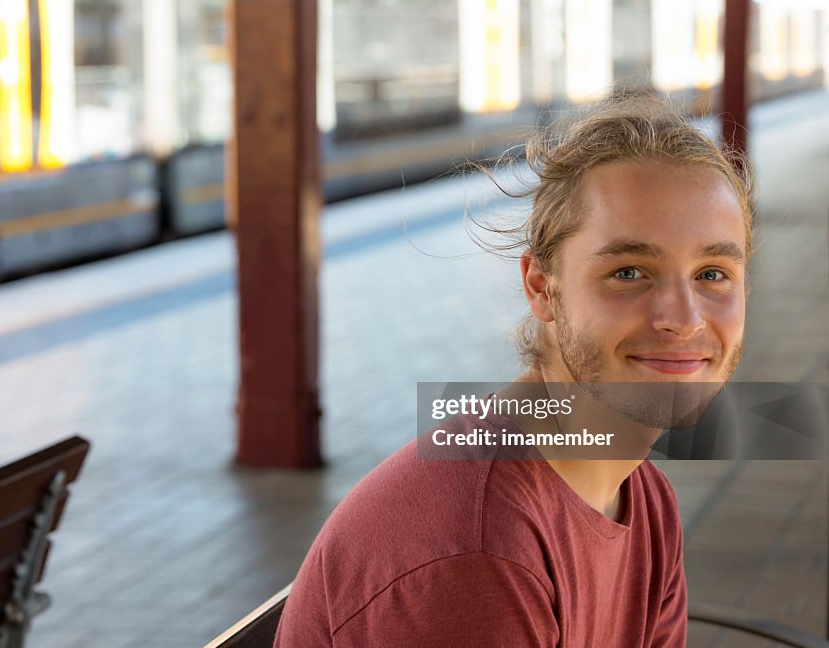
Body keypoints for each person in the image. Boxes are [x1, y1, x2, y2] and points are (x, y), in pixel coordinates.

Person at [273, 95, 755, 647]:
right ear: (540, 286)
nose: (683, 319)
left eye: (713, 274)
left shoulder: (643, 496)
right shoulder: (480, 551)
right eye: (628, 271)